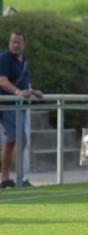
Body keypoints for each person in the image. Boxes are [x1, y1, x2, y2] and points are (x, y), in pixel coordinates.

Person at [0, 32, 43, 188]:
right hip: (9, 104)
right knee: (20, 139)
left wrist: (33, 91)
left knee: (10, 141)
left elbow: (23, 83)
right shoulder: (5, 58)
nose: (15, 45)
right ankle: (20, 177)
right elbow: (2, 81)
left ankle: (4, 179)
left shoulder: (24, 60)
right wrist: (17, 93)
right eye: (13, 42)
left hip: (20, 105)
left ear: (24, 44)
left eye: (18, 42)